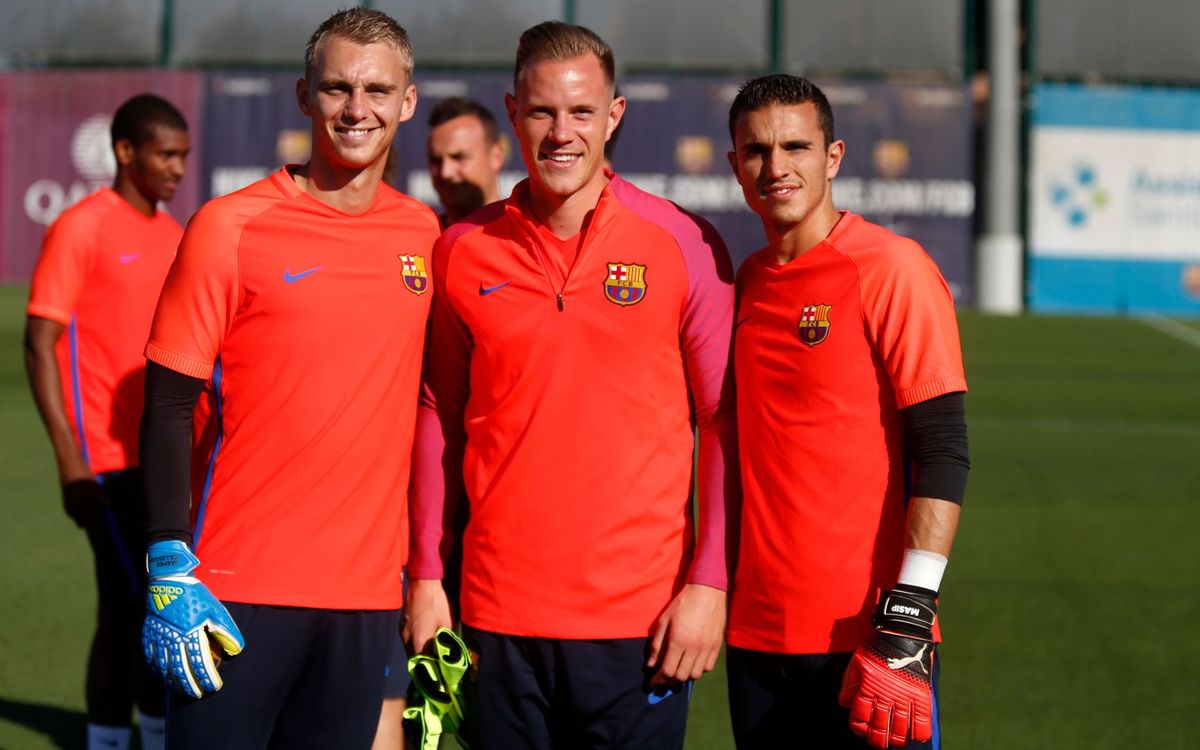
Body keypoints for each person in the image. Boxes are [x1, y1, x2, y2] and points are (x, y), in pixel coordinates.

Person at [404, 21, 738, 750]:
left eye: (582, 111)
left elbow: (721, 423)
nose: (562, 132)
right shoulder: (461, 251)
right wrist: (427, 576)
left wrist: (709, 584)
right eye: (543, 111)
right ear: (513, 112)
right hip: (494, 618)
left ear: (614, 114)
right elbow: (440, 417)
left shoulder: (685, 243)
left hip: (640, 624)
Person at [137, 8, 439, 749]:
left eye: (376, 90)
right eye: (337, 88)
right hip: (233, 591)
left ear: (407, 101)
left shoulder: (426, 237)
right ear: (304, 97)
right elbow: (168, 401)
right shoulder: (229, 225)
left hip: (365, 600)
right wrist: (168, 558)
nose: (356, 109)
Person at [724, 74, 970, 749]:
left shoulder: (892, 268)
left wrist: (910, 619)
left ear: (832, 157)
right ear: (734, 165)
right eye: (756, 151)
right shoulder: (744, 282)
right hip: (757, 637)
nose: (776, 168)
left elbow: (944, 449)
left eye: (796, 147)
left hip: (871, 639)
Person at [24, 93, 189, 750]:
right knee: (123, 607)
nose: (177, 168)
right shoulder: (81, 228)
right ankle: (105, 739)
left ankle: (151, 732)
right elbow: (39, 344)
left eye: (183, 156)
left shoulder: (174, 234)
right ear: (126, 151)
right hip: (105, 462)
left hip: (164, 458)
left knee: (159, 605)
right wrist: (69, 460)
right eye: (165, 154)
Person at [426, 96, 504, 226]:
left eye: (458, 157)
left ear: (496, 156)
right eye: (436, 160)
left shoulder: (523, 238)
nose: (445, 172)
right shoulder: (424, 240)